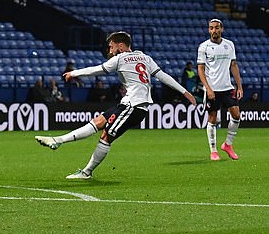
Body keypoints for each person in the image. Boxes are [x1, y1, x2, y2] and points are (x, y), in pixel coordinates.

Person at [35, 31, 196, 179]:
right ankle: (58, 140)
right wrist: (185, 92)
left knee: (106, 136)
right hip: (129, 105)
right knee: (98, 121)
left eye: (111, 46)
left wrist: (74, 73)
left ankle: (86, 172)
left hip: (134, 106)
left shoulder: (119, 59)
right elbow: (163, 76)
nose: (110, 50)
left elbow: (96, 70)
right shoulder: (145, 57)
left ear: (120, 45)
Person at [197, 18, 243, 161]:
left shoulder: (229, 45)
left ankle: (228, 145)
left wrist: (239, 86)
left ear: (221, 29)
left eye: (217, 28)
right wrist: (208, 88)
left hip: (227, 87)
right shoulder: (204, 47)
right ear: (208, 30)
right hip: (212, 89)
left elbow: (233, 65)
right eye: (211, 28)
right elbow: (200, 69)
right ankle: (213, 150)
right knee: (212, 118)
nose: (214, 30)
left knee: (236, 115)